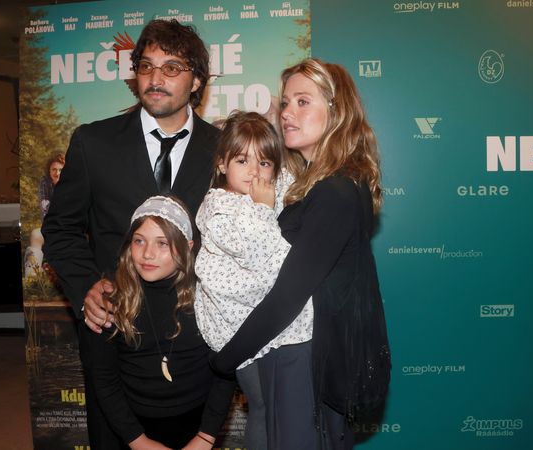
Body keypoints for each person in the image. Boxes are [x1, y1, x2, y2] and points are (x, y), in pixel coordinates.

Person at [42, 19, 219, 449]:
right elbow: (60, 228)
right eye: (146, 66)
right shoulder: (93, 142)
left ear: (197, 80)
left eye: (172, 68)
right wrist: (87, 287)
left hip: (195, 346)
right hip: (113, 338)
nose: (155, 78)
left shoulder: (224, 150)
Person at [210, 59, 391, 450]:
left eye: (303, 101)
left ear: (337, 111)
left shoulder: (335, 192)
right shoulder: (322, 184)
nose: (287, 112)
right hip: (302, 359)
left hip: (307, 364)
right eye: (286, 103)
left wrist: (225, 360)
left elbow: (287, 297)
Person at [193, 111, 313, 450]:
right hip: (237, 330)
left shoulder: (268, 190)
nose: (254, 172)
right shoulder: (219, 207)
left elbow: (291, 183)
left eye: (264, 163)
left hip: (267, 324)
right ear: (222, 164)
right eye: (242, 160)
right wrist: (263, 207)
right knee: (262, 406)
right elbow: (264, 255)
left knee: (281, 408)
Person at [86, 196, 234, 450]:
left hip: (199, 425)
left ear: (187, 247)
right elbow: (104, 378)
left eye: (162, 243)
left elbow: (225, 371)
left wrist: (206, 436)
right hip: (133, 428)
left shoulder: (209, 298)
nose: (148, 253)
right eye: (139, 241)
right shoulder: (111, 301)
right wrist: (138, 441)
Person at [38, 153, 65, 218]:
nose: (57, 173)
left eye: (61, 170)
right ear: (49, 170)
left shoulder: (69, 182)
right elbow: (44, 206)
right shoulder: (44, 181)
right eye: (54, 169)